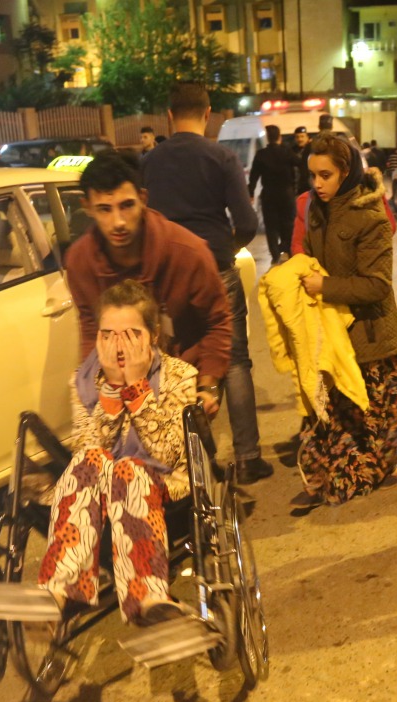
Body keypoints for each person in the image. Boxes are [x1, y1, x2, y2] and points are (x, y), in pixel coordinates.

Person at [38, 280, 196, 625]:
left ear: (153, 334)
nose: (118, 345)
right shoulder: (83, 380)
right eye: (108, 334)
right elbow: (87, 451)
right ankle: (60, 590)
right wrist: (111, 388)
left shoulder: (181, 376)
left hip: (161, 484)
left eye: (130, 333)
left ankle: (148, 596)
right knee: (88, 460)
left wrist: (137, 387)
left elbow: (168, 454)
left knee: (130, 470)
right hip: (100, 490)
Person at [141, 82, 271, 485]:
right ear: (208, 112)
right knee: (233, 359)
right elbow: (248, 222)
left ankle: (190, 462)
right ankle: (248, 457)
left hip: (163, 276)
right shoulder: (222, 157)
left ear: (168, 115)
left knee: (174, 363)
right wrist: (224, 248)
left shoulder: (147, 161)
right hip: (216, 268)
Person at [65, 151, 231, 416]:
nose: (118, 222)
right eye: (104, 209)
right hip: (119, 386)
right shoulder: (80, 261)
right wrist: (91, 384)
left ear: (143, 199)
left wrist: (208, 385)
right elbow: (90, 327)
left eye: (127, 205)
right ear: (87, 207)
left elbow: (217, 322)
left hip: (180, 382)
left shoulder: (188, 252)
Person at [293, 133, 397, 511]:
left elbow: (377, 285)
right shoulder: (317, 210)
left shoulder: (370, 216)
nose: (317, 184)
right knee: (331, 423)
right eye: (312, 175)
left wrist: (323, 285)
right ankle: (330, 471)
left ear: (346, 171)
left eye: (325, 175)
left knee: (373, 431)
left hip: (371, 341)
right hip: (334, 338)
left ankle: (383, 467)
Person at [249, 124, 296, 264]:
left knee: (271, 226)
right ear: (279, 137)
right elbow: (300, 164)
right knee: (288, 223)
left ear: (268, 138)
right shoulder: (287, 152)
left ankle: (275, 254)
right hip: (286, 194)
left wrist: (251, 192)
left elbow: (253, 176)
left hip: (269, 195)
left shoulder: (261, 154)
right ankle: (287, 249)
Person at [292, 127, 311, 194]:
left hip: (309, 188)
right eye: (297, 137)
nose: (300, 139)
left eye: (302, 136)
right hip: (296, 188)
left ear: (307, 137)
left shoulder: (312, 149)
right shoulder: (292, 151)